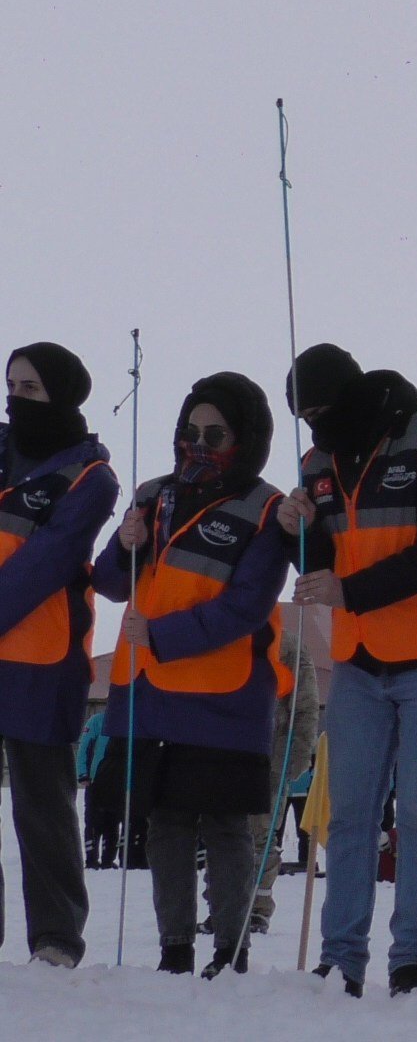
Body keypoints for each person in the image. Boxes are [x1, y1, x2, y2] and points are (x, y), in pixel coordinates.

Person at [282, 343, 417, 997]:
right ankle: (341, 959)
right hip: (360, 659)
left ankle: (410, 962)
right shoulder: (317, 461)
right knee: (348, 816)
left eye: (321, 410)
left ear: (351, 397)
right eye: (305, 414)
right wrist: (299, 531)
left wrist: (352, 592)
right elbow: (321, 564)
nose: (316, 424)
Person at [93, 372, 290, 977]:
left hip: (228, 695)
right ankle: (174, 949)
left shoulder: (268, 509)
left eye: (216, 433)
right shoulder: (153, 494)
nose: (199, 444)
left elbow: (247, 606)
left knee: (228, 828)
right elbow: (107, 583)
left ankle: (231, 953)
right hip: (150, 692)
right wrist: (123, 545)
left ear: (246, 438)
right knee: (165, 825)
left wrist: (161, 636)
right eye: (190, 432)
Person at [0, 343, 118, 968]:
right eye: (11, 384)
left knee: (43, 806)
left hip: (44, 660)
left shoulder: (90, 476)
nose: (17, 397)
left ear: (63, 394)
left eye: (32, 388)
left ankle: (55, 938)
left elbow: (47, 562)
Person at [247, 635, 320, 934]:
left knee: (262, 834)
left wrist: (299, 750)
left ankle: (258, 910)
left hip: (271, 753)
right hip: (224, 747)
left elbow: (305, 703)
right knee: (223, 833)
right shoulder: (220, 626)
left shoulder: (288, 643)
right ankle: (223, 906)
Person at [74, 710, 110, 868]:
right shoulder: (97, 721)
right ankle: (91, 858)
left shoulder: (128, 719)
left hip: (117, 780)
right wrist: (83, 772)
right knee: (93, 820)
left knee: (112, 821)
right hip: (95, 779)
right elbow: (85, 746)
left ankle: (108, 859)